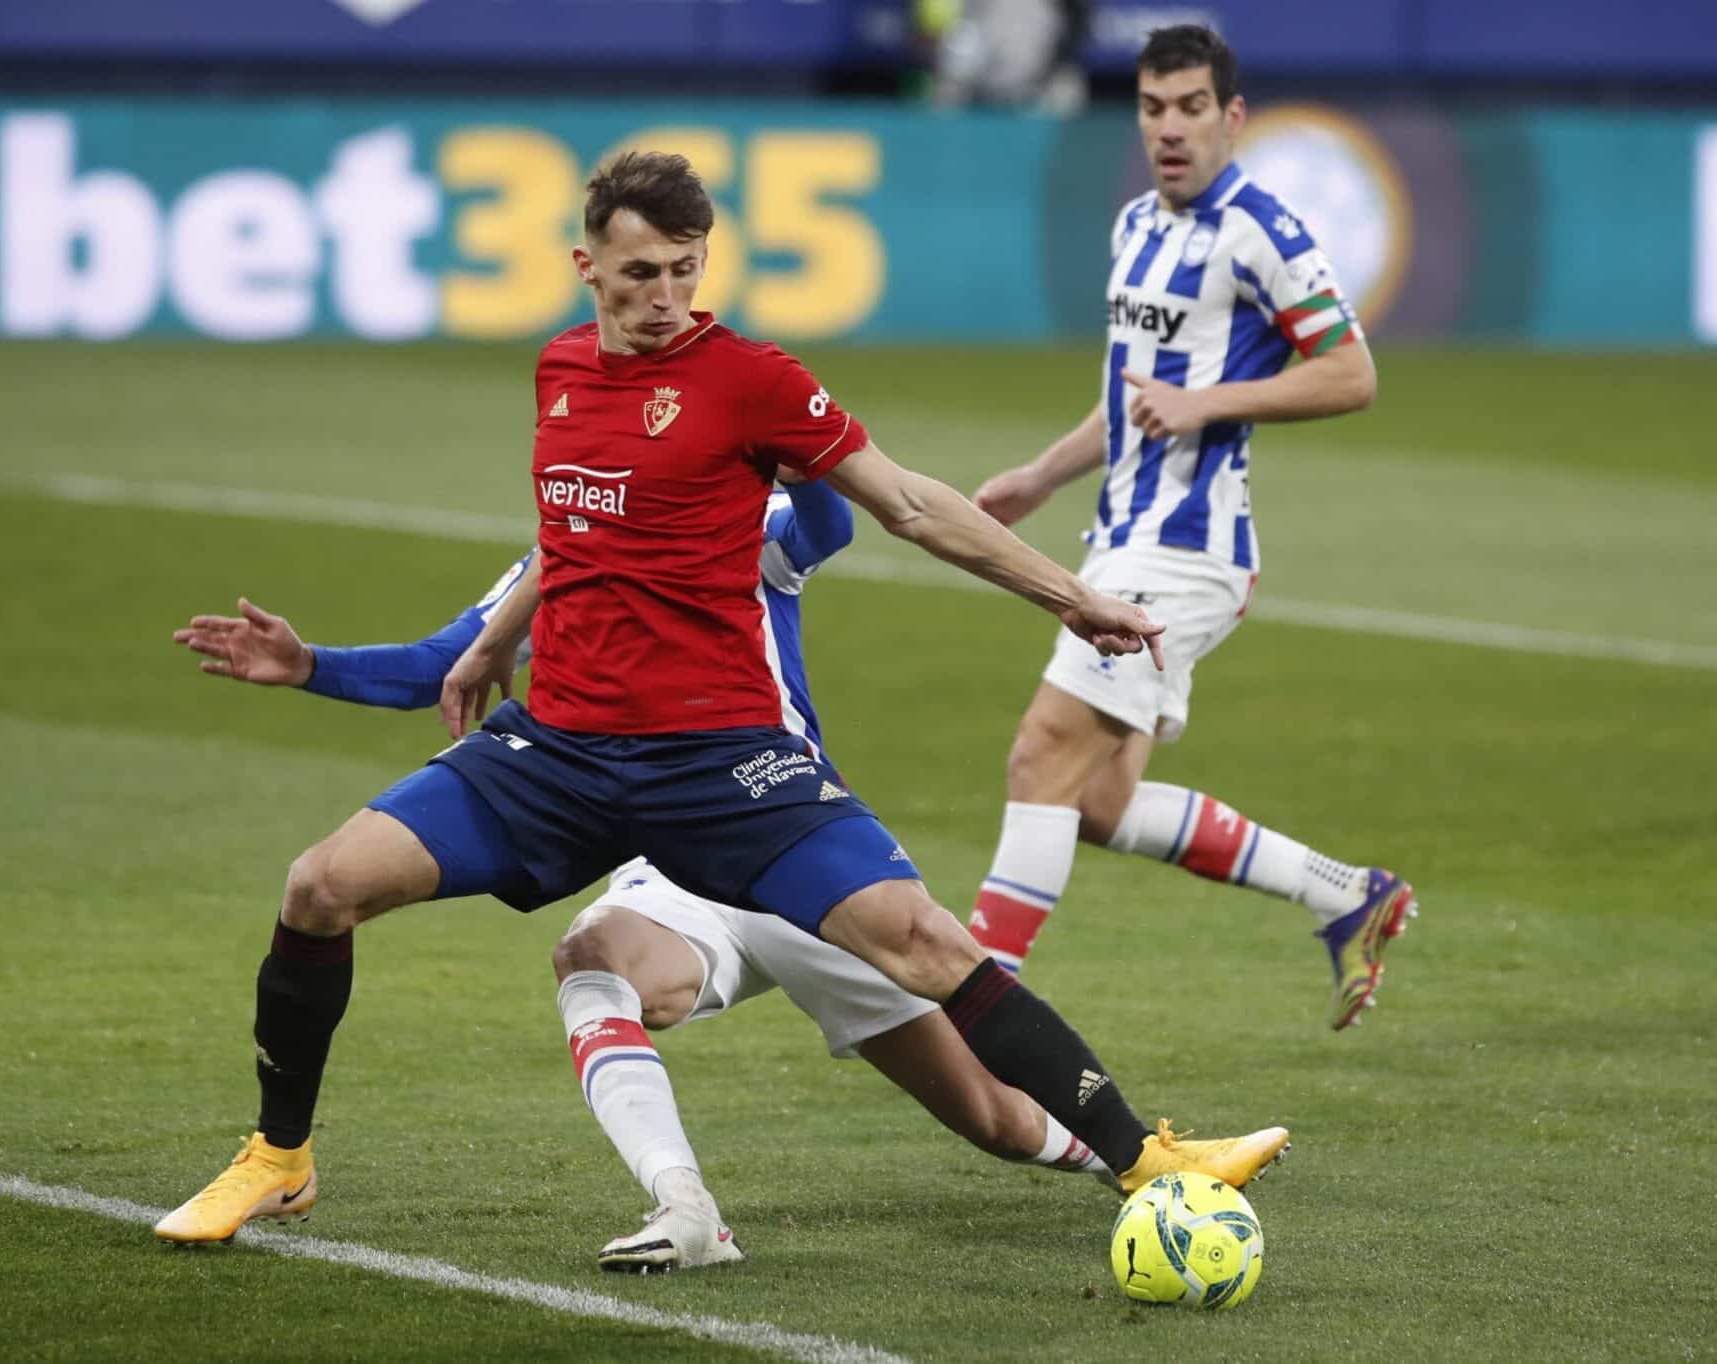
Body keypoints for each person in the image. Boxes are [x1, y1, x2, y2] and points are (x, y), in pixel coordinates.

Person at [154, 149, 1287, 1257]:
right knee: (319, 885)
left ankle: (1146, 1157)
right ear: (584, 265)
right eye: (640, 272)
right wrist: (490, 644)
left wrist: (1071, 595)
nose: (665, 297)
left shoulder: (748, 376)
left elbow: (903, 502)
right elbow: (568, 527)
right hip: (557, 754)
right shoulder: (558, 373)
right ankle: (280, 1156)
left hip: (723, 760)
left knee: (922, 938)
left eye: (685, 269)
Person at [171, 486, 1116, 1274]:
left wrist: (802, 453)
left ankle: (1136, 1158)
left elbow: (828, 526)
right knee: (592, 962)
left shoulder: (754, 514)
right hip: (666, 866)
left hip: (786, 842)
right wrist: (309, 667)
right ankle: (686, 1206)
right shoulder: (565, 545)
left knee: (991, 1116)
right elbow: (445, 665)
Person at [965, 24, 1416, 1029]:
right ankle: (1345, 891)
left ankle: (974, 1001)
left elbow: (1353, 374)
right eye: (1153, 108)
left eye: (1191, 108)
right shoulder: (1134, 225)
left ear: (1231, 117)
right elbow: (1132, 398)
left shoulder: (1262, 229)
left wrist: (1211, 401)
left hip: (1187, 551)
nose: (1170, 128)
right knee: (1094, 802)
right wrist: (1041, 473)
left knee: (1040, 752)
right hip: (1120, 535)